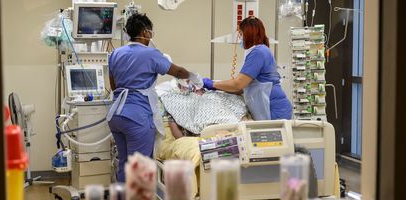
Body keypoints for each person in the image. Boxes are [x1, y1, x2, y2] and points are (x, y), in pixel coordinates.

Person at [107, 13, 199, 182]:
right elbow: (177, 72)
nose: (150, 35)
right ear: (145, 32)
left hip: (116, 116)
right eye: (150, 31)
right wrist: (195, 78)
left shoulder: (115, 54)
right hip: (136, 117)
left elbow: (114, 87)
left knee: (125, 164)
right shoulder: (150, 54)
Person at [202, 16, 292, 120]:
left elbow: (238, 84)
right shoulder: (259, 51)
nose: (239, 38)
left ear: (249, 34)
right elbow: (242, 89)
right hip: (269, 108)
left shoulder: (259, 52)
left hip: (275, 110)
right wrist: (217, 87)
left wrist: (212, 84)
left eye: (241, 35)